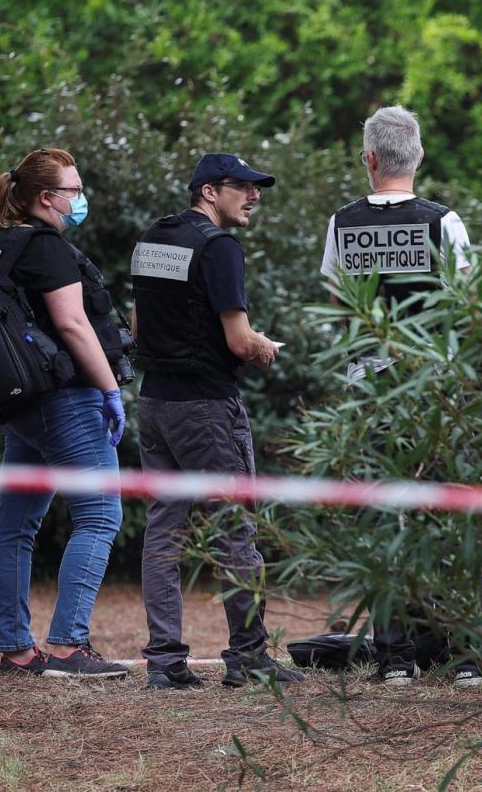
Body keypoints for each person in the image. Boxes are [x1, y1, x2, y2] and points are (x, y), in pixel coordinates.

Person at [320, 106, 482, 687]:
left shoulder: (342, 223)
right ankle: (463, 656)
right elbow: (470, 305)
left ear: (369, 160)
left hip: (368, 393)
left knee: (382, 519)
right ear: (417, 157)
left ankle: (396, 659)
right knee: (448, 513)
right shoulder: (444, 221)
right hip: (436, 391)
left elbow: (338, 307)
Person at [130, 153, 305, 690]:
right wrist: (264, 348)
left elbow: (136, 325)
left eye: (258, 188)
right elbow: (238, 339)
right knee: (233, 530)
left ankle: (164, 662)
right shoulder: (220, 247)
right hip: (205, 406)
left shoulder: (153, 239)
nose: (254, 197)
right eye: (243, 188)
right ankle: (249, 657)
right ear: (209, 191)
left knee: (163, 531)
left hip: (154, 402)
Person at [0, 148, 130, 679]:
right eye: (74, 190)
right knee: (100, 515)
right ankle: (68, 645)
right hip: (66, 400)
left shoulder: (3, 245)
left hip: (23, 404)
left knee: (16, 525)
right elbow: (71, 325)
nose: (80, 199)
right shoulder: (48, 249)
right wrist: (111, 389)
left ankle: (17, 652)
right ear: (47, 197)